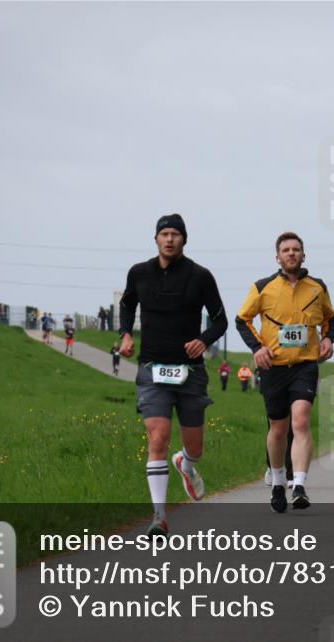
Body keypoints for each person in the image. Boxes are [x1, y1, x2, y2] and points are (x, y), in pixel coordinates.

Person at [118, 213, 228, 536]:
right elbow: (127, 304)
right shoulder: (139, 273)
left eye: (175, 234)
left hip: (190, 371)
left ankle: (186, 464)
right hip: (152, 368)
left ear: (184, 239)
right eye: (164, 234)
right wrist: (126, 334)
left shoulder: (200, 276)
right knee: (158, 438)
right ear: (155, 239)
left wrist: (203, 340)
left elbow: (220, 320)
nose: (169, 239)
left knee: (194, 447)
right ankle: (159, 517)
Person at [235, 231, 334, 513]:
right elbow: (242, 319)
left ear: (304, 255)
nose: (291, 253)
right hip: (273, 367)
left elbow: (330, 317)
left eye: (296, 249)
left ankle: (300, 484)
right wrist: (257, 347)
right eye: (286, 250)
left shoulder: (317, 287)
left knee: (301, 422)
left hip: (305, 365)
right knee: (278, 428)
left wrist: (329, 339)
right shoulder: (262, 287)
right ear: (277, 257)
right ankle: (278, 480)